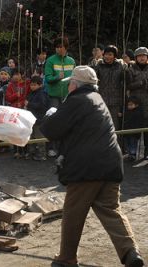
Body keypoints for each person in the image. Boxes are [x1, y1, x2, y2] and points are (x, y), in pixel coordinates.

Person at [40, 65, 144, 267]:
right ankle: (130, 252)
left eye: (70, 83)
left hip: (87, 167)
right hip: (110, 163)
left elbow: (51, 129)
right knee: (111, 210)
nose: (69, 86)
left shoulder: (77, 100)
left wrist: (49, 115)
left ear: (76, 84)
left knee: (73, 212)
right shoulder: (97, 99)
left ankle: (67, 258)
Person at [94, 45, 127, 129]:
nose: (107, 56)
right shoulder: (99, 65)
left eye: (110, 54)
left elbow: (125, 81)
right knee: (101, 125)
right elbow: (93, 79)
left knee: (114, 126)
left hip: (115, 102)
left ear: (114, 56)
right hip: (102, 100)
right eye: (106, 54)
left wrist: (126, 69)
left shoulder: (120, 66)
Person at [126, 47, 148, 162]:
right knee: (134, 129)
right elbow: (128, 85)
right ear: (136, 57)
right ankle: (133, 152)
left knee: (147, 129)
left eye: (144, 55)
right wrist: (140, 83)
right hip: (135, 104)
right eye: (139, 56)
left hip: (147, 103)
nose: (142, 57)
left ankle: (147, 153)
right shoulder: (131, 70)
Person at [44, 37, 76, 107]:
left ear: (66, 47)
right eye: (57, 47)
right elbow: (47, 78)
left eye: (61, 47)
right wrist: (57, 77)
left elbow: (74, 78)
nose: (58, 49)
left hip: (68, 95)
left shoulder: (71, 61)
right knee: (54, 115)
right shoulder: (50, 60)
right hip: (54, 96)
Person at [25, 75, 50, 161]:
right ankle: (31, 152)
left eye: (35, 85)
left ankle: (42, 154)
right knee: (31, 136)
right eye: (31, 85)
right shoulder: (31, 93)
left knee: (39, 137)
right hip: (31, 118)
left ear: (40, 85)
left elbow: (42, 106)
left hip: (39, 119)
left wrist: (29, 104)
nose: (32, 86)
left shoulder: (42, 94)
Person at [123, 96, 144, 161]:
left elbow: (139, 123)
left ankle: (133, 155)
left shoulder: (139, 112)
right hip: (127, 130)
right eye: (128, 105)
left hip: (134, 132)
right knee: (128, 143)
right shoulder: (127, 112)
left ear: (136, 105)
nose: (129, 106)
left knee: (133, 143)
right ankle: (130, 154)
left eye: (131, 105)